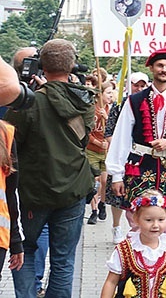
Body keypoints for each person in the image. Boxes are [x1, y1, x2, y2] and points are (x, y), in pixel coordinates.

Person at [4, 38, 96, 297]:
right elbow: (84, 137)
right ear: (72, 66)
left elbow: (9, 144)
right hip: (73, 190)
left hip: (33, 192)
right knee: (64, 260)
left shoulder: (27, 102)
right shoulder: (85, 100)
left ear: (41, 65)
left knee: (25, 250)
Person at [106, 45, 166, 229]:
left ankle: (160, 257)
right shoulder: (134, 100)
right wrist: (116, 175)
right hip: (140, 165)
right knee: (136, 218)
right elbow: (121, 138)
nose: (164, 70)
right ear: (152, 68)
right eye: (160, 65)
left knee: (164, 220)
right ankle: (136, 256)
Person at [100, 190, 166, 298]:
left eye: (161, 220)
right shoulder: (125, 249)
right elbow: (111, 281)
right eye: (149, 220)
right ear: (136, 219)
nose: (155, 225)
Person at [104, 71, 149, 244]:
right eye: (135, 85)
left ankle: (137, 229)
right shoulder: (120, 104)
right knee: (117, 196)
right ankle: (116, 226)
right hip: (121, 155)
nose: (138, 88)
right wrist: (120, 149)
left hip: (140, 157)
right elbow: (110, 132)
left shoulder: (147, 104)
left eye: (142, 85)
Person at [86, 81, 115, 224]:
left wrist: (107, 118)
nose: (111, 95)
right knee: (93, 181)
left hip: (107, 151)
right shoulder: (91, 109)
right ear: (100, 94)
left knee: (104, 181)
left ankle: (103, 203)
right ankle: (94, 210)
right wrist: (97, 143)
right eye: (108, 93)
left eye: (112, 93)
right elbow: (87, 132)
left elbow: (116, 130)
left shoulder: (112, 109)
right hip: (92, 150)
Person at [0, 121, 24, 274]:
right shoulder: (5, 132)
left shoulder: (6, 133)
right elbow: (11, 193)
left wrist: (15, 240)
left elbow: (10, 192)